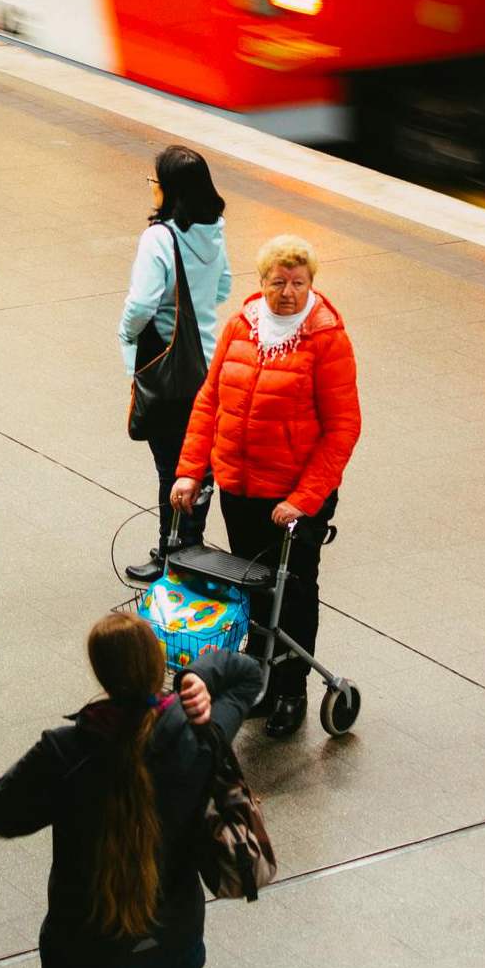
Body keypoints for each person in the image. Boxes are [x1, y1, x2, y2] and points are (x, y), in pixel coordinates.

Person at [0, 613, 261, 968]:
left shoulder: (66, 752)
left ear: (102, 675)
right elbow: (247, 674)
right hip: (173, 944)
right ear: (158, 663)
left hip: (86, 956)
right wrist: (196, 677)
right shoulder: (199, 737)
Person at [172, 235, 361, 739]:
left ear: (311, 285)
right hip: (240, 487)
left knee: (293, 592)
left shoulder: (326, 340)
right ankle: (259, 678)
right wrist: (191, 469)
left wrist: (302, 499)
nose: (288, 292)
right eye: (278, 282)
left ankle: (291, 690)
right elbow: (209, 401)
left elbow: (343, 429)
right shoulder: (241, 325)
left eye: (298, 283)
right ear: (262, 283)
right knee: (252, 589)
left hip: (295, 497)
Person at [119, 146, 231, 582]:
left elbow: (143, 303)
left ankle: (171, 555)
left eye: (155, 182)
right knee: (198, 464)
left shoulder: (159, 238)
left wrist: (128, 331)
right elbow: (222, 287)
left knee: (171, 466)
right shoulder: (214, 230)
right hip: (206, 364)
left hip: (166, 368)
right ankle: (190, 546)